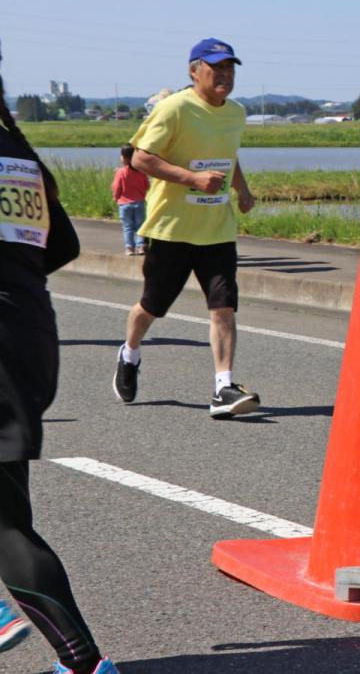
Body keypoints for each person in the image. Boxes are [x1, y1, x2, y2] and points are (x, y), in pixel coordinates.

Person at [0, 44, 120, 673]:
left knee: (6, 525)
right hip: (28, 331)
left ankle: (84, 665)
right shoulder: (17, 151)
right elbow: (64, 242)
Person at [111, 38, 260, 418]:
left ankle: (223, 389)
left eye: (230, 67)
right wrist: (191, 179)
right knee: (151, 306)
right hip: (171, 229)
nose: (225, 74)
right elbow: (141, 157)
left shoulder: (236, 113)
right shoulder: (174, 108)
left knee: (223, 309)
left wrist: (242, 189)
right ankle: (129, 354)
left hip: (217, 230)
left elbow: (230, 155)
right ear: (194, 71)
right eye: (216, 67)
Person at [111, 143, 149, 256]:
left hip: (124, 204)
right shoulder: (142, 171)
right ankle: (141, 246)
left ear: (124, 158)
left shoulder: (120, 172)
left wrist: (115, 196)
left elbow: (117, 187)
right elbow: (146, 186)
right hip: (139, 202)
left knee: (127, 227)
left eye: (121, 156)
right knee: (140, 226)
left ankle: (129, 248)